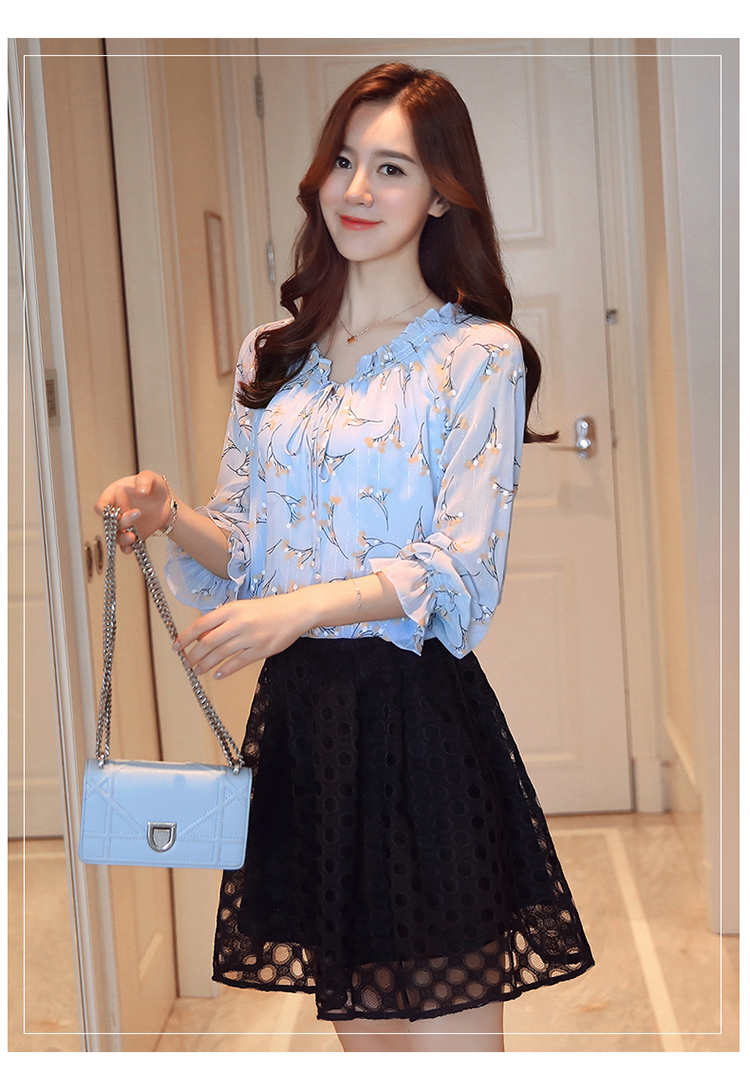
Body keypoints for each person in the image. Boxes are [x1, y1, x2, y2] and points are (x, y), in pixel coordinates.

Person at [96, 62, 594, 1052]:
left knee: (452, 1051)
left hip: (417, 724)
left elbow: (459, 570)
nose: (357, 190)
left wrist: (299, 610)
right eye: (344, 161)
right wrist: (170, 515)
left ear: (442, 192)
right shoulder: (271, 352)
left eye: (392, 168)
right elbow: (251, 549)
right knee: (366, 1044)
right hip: (303, 727)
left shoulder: (477, 355)